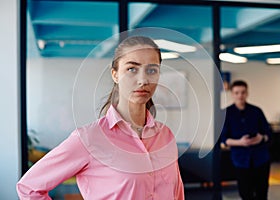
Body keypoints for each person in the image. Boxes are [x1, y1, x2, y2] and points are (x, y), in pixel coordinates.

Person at [17, 36, 184, 199]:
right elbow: (29, 188)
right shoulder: (89, 138)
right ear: (115, 74)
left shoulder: (166, 136)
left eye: (151, 70)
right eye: (132, 69)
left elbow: (177, 194)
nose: (143, 80)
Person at [221, 80, 271, 200]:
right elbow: (223, 139)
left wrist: (261, 138)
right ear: (232, 94)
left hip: (261, 159)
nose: (240, 95)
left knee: (262, 193)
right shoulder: (226, 113)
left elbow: (268, 133)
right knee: (245, 193)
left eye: (243, 92)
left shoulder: (256, 111)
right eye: (237, 93)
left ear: (247, 93)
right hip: (241, 160)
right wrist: (240, 142)